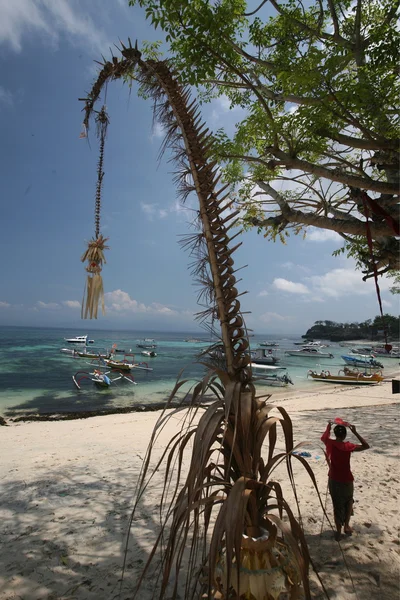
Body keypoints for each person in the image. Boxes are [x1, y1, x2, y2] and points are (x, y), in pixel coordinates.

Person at [321, 421, 369, 541]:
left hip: (334, 479)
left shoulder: (331, 444)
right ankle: (346, 525)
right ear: (345, 435)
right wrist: (355, 432)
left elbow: (324, 437)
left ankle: (338, 532)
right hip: (347, 479)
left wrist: (328, 427)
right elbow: (366, 446)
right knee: (348, 502)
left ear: (336, 434)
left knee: (337, 505)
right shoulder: (348, 446)